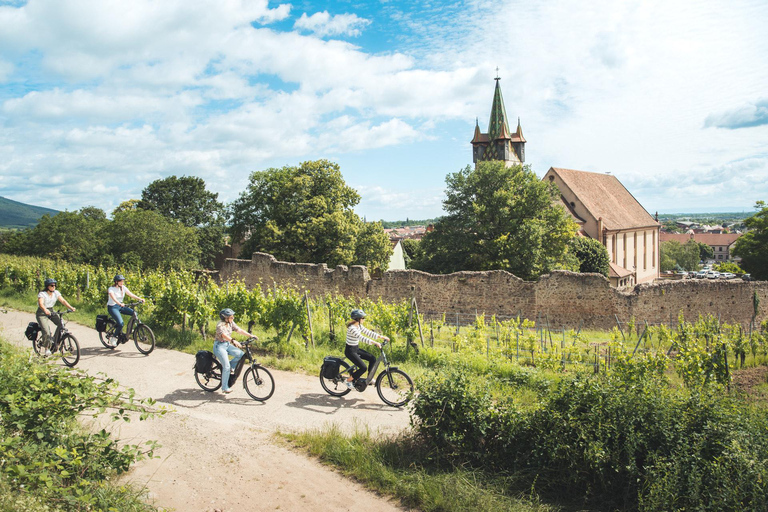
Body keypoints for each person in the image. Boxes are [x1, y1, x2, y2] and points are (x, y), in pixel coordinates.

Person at [345, 309, 389, 389]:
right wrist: (375, 343)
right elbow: (361, 338)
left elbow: (368, 332)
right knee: (363, 368)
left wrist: (382, 337)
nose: (364, 319)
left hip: (356, 348)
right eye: (363, 318)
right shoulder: (352, 328)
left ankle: (369, 378)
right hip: (350, 351)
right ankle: (348, 380)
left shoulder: (359, 326)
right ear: (358, 319)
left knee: (372, 358)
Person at [214, 308, 252, 394]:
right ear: (225, 318)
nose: (233, 318)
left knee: (241, 355)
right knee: (226, 367)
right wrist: (233, 341)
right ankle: (224, 387)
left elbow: (239, 330)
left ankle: (229, 368)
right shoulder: (220, 325)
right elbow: (223, 335)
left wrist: (250, 335)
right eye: (231, 317)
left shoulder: (230, 323)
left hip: (227, 345)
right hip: (219, 346)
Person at [36, 278, 76, 356]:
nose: (54, 287)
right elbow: (41, 304)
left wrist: (71, 307)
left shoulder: (56, 293)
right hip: (42, 312)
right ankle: (47, 348)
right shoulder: (42, 294)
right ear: (47, 286)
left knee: (61, 324)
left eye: (55, 285)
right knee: (46, 331)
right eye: (52, 285)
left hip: (51, 310)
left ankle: (54, 341)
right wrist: (45, 309)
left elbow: (63, 301)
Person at [106, 274, 144, 347]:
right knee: (121, 323)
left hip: (120, 306)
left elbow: (131, 294)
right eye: (120, 281)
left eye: (123, 281)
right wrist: (119, 303)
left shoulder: (123, 288)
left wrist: (140, 299)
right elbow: (113, 297)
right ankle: (113, 338)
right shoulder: (111, 289)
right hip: (113, 307)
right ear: (116, 281)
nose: (122, 282)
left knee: (134, 313)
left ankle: (129, 330)